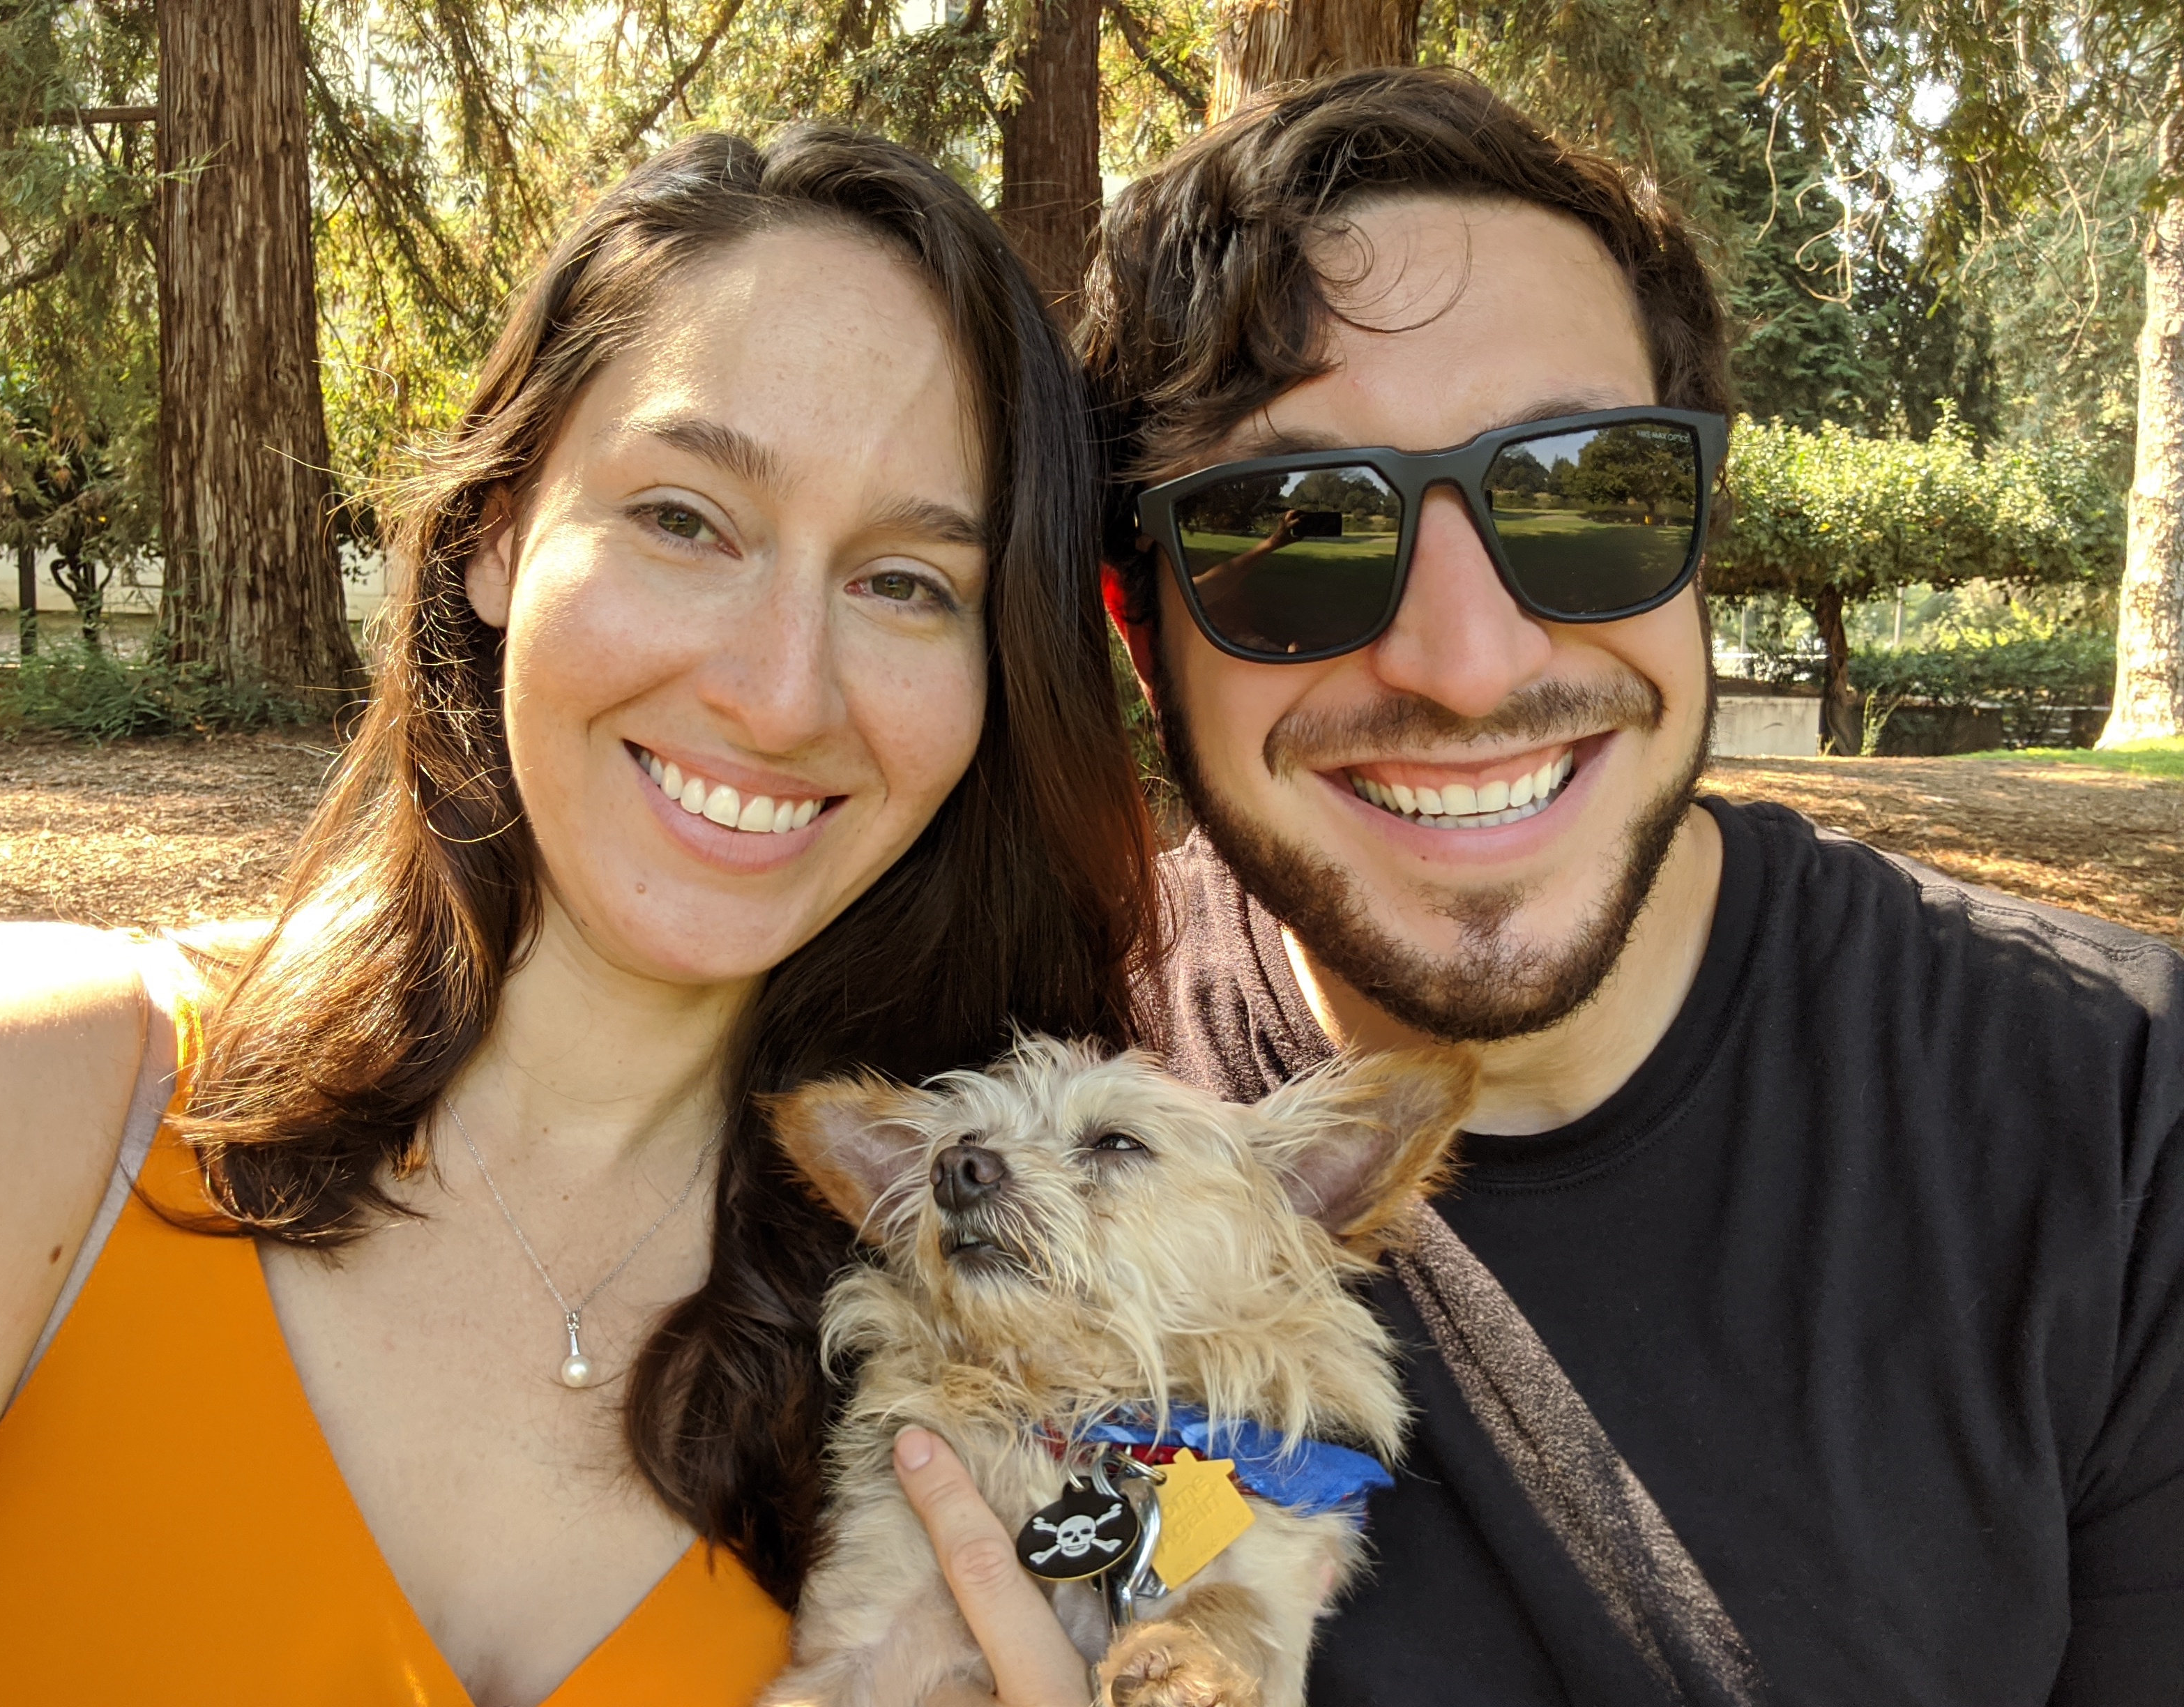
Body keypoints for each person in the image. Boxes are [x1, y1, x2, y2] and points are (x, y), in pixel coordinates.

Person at [894, 66, 2184, 1707]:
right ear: (1141, 629)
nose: (1466, 662)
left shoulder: (2125, 1130)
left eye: (1585, 489)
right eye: (1293, 528)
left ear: (1702, 534)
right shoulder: (1004, 1100)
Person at [0, 125, 1155, 1707]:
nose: (779, 694)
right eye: (686, 520)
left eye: (908, 583)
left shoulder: (1025, 1357)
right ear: (501, 526)